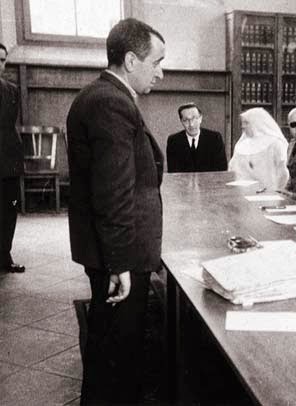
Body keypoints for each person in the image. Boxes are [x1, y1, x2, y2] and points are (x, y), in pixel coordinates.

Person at [66, 18, 166, 404]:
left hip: (112, 250)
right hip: (120, 255)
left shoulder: (104, 96)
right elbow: (113, 193)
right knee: (118, 356)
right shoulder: (111, 102)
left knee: (110, 349)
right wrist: (119, 264)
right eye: (157, 62)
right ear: (130, 60)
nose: (161, 72)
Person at [0, 42, 25, 274]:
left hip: (8, 160)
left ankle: (4, 256)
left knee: (9, 210)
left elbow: (9, 127)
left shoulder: (12, 90)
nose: (0, 65)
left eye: (2, 60)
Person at [228, 107, 289, 190]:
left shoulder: (275, 144)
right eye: (242, 123)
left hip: (270, 192)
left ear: (257, 123)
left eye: (246, 123)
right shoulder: (241, 145)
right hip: (243, 191)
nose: (243, 126)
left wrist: (276, 190)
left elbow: (283, 172)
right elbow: (233, 169)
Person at [166, 102, 227, 172]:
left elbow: (221, 169)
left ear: (200, 118)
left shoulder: (215, 138)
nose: (191, 124)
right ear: (181, 121)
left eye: (194, 118)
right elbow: (173, 172)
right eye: (186, 120)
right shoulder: (174, 141)